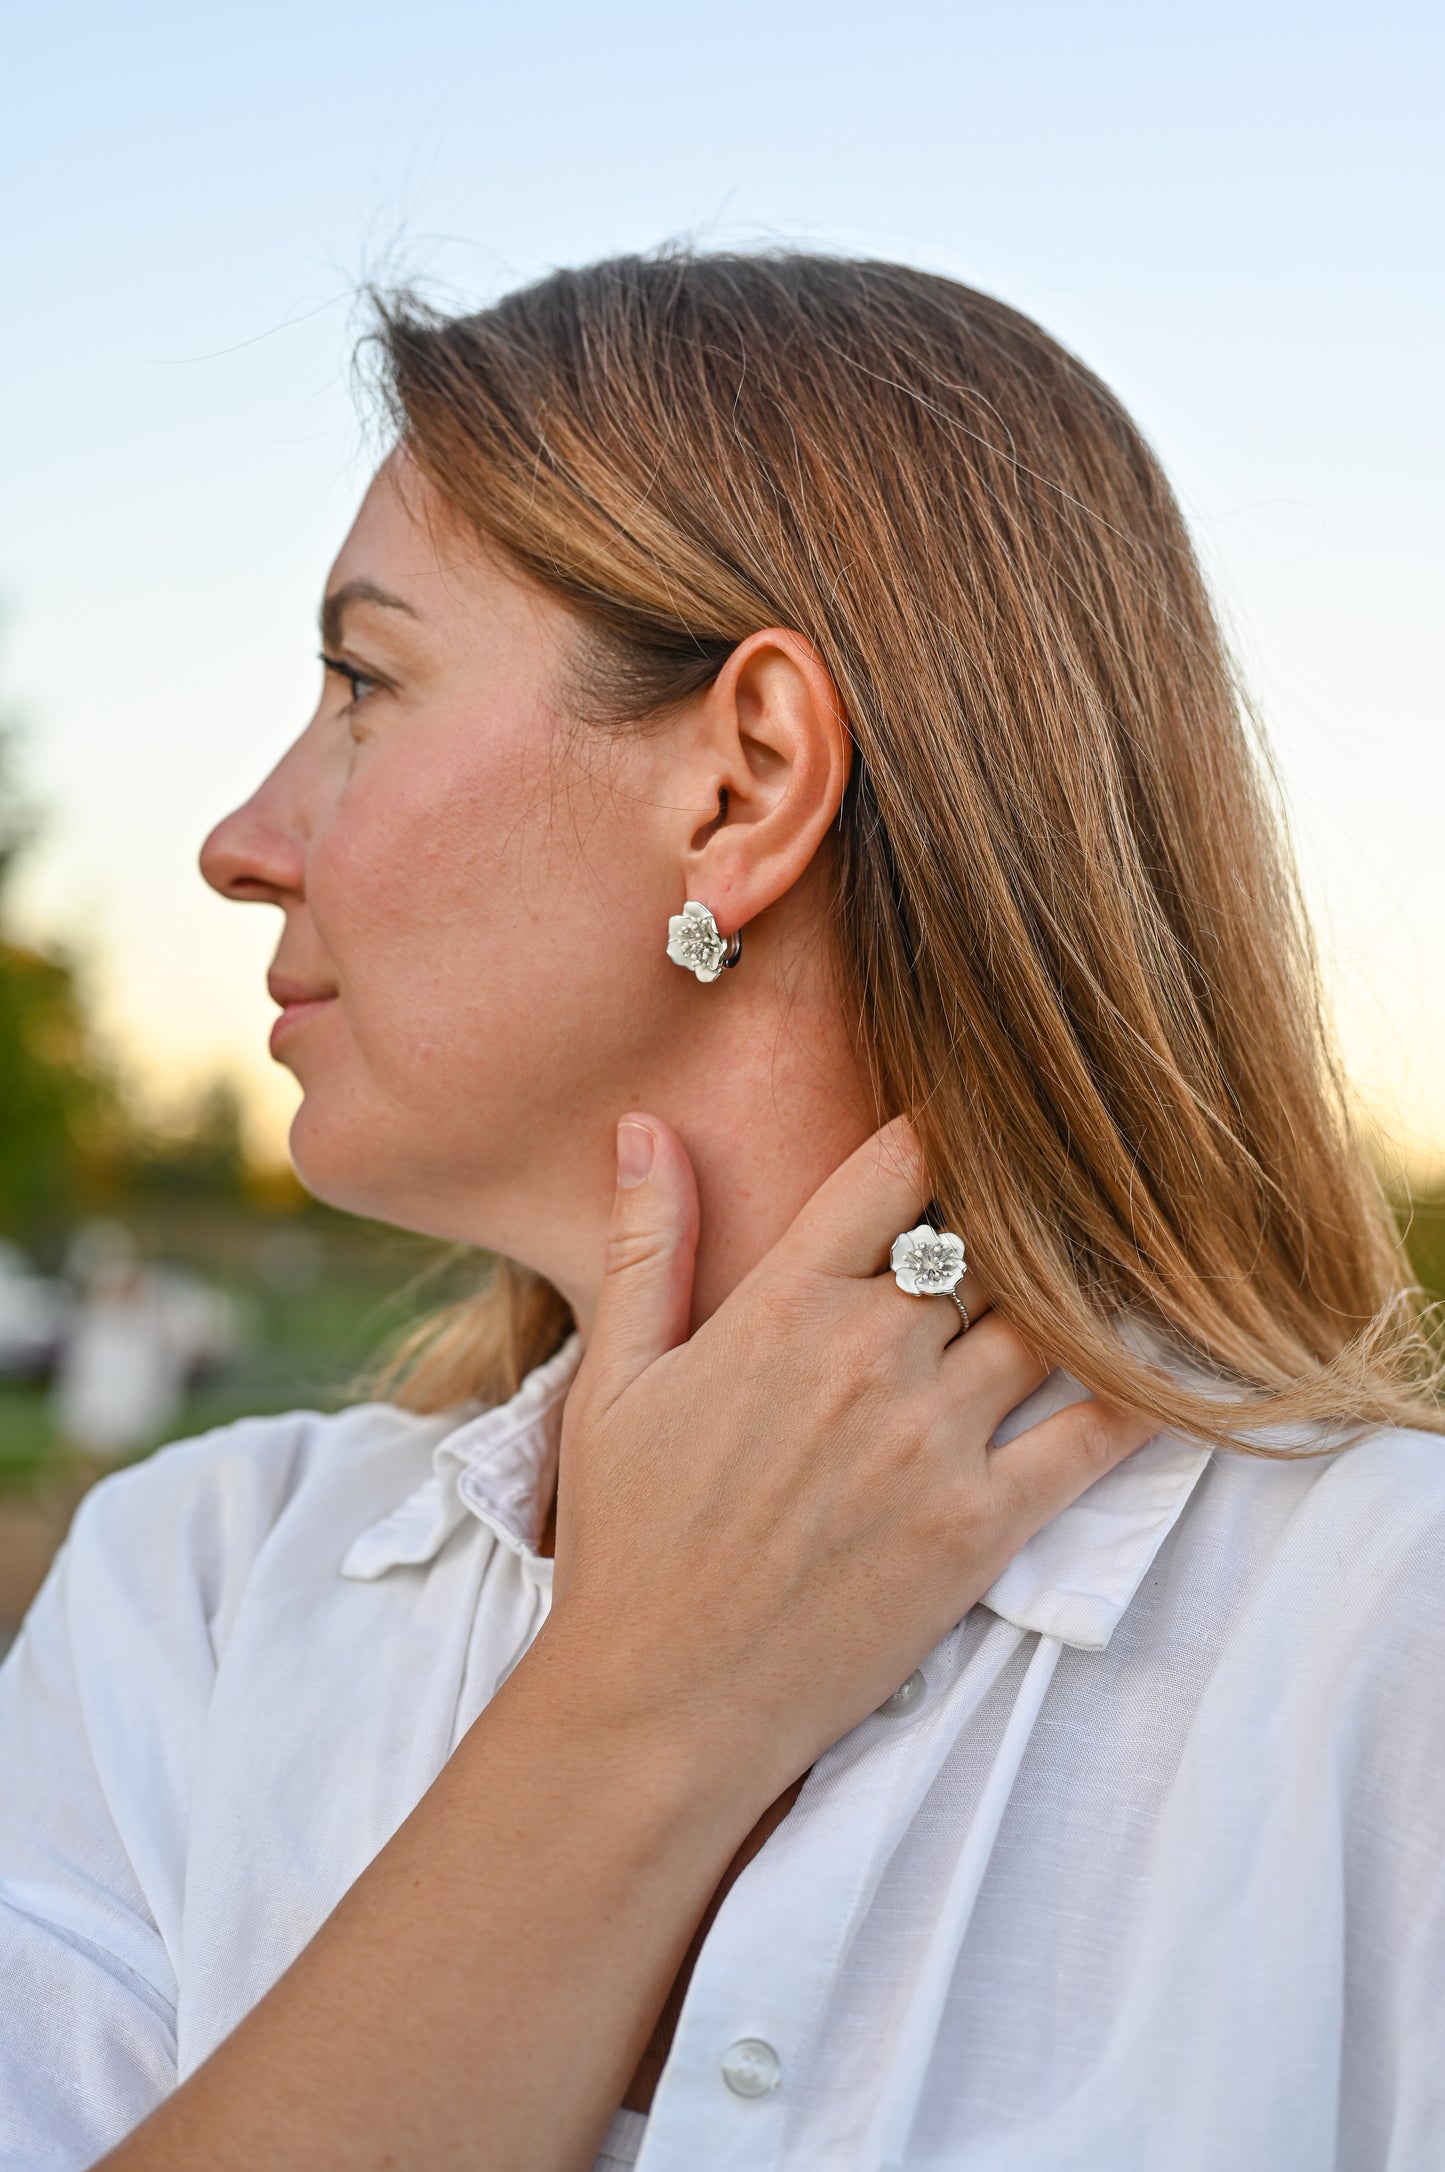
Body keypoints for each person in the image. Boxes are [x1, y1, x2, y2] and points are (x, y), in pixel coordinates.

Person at [1, 252, 1441, 2172]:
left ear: (744, 788)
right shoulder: (194, 1586)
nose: (241, 839)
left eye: (362, 682)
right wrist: (637, 1709)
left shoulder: (1387, 1642)